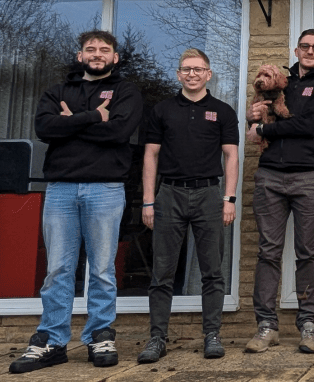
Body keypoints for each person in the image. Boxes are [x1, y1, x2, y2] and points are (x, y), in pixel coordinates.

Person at [10, 30, 142, 374]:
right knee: (57, 269)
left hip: (105, 188)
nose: (97, 54)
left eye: (104, 49)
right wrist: (94, 117)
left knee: (102, 269)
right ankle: (52, 341)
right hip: (61, 189)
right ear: (80, 55)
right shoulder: (57, 91)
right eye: (90, 49)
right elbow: (45, 129)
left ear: (115, 57)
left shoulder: (126, 91)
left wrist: (69, 123)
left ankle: (99, 336)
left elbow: (118, 132)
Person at [244, 28, 314, 353]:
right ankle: (266, 325)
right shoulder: (279, 83)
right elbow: (257, 119)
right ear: (296, 50)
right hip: (270, 177)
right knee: (268, 253)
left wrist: (265, 128)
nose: (310, 51)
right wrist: (253, 118)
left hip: (309, 178)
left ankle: (307, 324)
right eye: (305, 46)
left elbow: (310, 125)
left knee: (308, 253)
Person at [136, 48, 239, 363]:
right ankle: (157, 338)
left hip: (209, 194)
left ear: (209, 74)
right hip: (169, 194)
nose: (192, 74)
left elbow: (231, 156)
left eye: (198, 69)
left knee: (212, 271)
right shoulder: (162, 110)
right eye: (186, 69)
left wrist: (229, 199)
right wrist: (148, 201)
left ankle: (212, 335)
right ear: (179, 74)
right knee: (162, 272)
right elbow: (150, 155)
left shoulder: (222, 111)